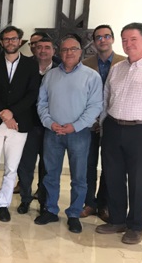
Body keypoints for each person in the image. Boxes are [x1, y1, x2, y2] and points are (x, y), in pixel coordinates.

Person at [96, 22, 142, 245]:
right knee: (112, 176)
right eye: (124, 40)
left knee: (138, 181)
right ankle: (117, 220)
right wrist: (104, 129)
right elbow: (106, 101)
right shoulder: (117, 69)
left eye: (133, 39)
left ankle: (135, 225)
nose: (128, 44)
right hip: (114, 128)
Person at [35, 35, 103, 234]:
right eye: (65, 49)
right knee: (50, 175)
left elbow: (95, 106)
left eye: (73, 49)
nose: (69, 53)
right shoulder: (50, 76)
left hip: (79, 134)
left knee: (79, 177)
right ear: (59, 52)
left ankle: (74, 214)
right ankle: (50, 210)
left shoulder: (92, 76)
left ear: (80, 52)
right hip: (53, 132)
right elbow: (42, 103)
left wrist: (76, 126)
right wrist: (50, 123)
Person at [0, 25, 40, 222]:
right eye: (6, 39)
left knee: (11, 167)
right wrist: (5, 114)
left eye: (14, 38)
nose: (10, 42)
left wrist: (12, 113)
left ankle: (4, 204)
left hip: (19, 123)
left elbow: (32, 93)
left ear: (20, 41)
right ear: (1, 42)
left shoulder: (30, 65)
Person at [80, 24, 126, 221]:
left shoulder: (125, 63)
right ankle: (89, 203)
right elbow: (82, 95)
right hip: (90, 123)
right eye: (98, 37)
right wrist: (93, 119)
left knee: (110, 166)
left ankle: (104, 204)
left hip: (114, 122)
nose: (102, 40)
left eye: (106, 36)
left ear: (112, 39)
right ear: (94, 42)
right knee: (88, 164)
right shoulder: (85, 64)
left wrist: (106, 119)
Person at [16, 35, 60, 215]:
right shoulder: (25, 66)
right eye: (39, 47)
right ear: (34, 49)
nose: (43, 51)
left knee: (48, 166)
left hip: (51, 126)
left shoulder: (60, 69)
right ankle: (25, 199)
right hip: (28, 124)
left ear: (53, 50)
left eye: (47, 47)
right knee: (25, 165)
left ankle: (43, 200)